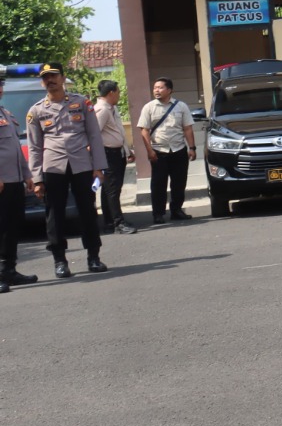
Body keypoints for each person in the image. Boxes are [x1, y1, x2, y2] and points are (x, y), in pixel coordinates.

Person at [26, 63, 108, 278]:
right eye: (46, 78)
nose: (50, 80)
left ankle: (93, 256)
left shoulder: (82, 103)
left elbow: (94, 136)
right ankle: (60, 260)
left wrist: (98, 167)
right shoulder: (36, 111)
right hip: (53, 166)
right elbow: (34, 147)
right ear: (42, 82)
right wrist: (37, 178)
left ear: (63, 78)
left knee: (87, 211)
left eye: (53, 76)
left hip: (82, 164)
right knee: (55, 215)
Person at [136, 78, 196, 223]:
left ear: (169, 90)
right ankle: (158, 213)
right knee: (158, 184)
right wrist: (149, 151)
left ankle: (176, 210)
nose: (156, 90)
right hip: (158, 151)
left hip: (179, 150)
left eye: (160, 87)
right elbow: (144, 131)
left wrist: (192, 148)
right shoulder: (148, 107)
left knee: (179, 182)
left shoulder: (181, 106)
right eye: (155, 88)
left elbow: (187, 128)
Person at [0, 71, 39, 293]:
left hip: (14, 181)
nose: (0, 89)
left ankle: (9, 271)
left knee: (11, 228)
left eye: (1, 85)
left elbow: (15, 148)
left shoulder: (6, 113)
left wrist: (26, 175)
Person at [95, 80, 136, 235]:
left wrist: (127, 150)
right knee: (112, 190)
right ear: (111, 93)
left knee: (110, 189)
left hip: (117, 153)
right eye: (118, 92)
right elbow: (94, 134)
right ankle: (118, 222)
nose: (119, 95)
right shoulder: (102, 110)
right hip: (108, 154)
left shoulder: (111, 108)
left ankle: (110, 221)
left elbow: (117, 131)